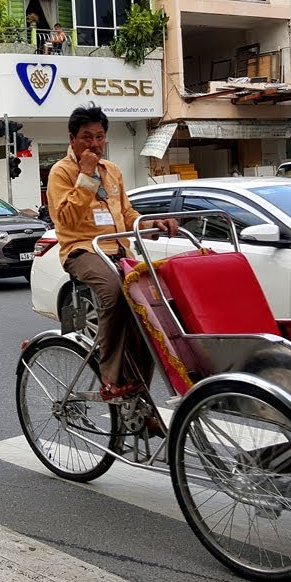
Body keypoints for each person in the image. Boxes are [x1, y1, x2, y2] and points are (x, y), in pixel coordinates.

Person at [46, 105, 179, 415]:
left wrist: (151, 224)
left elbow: (127, 214)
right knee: (114, 291)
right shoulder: (62, 172)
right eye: (86, 137)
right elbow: (65, 218)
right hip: (83, 251)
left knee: (149, 312)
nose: (94, 144)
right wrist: (87, 176)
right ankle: (110, 376)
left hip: (119, 251)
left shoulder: (113, 170)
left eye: (99, 137)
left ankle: (139, 405)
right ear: (73, 139)